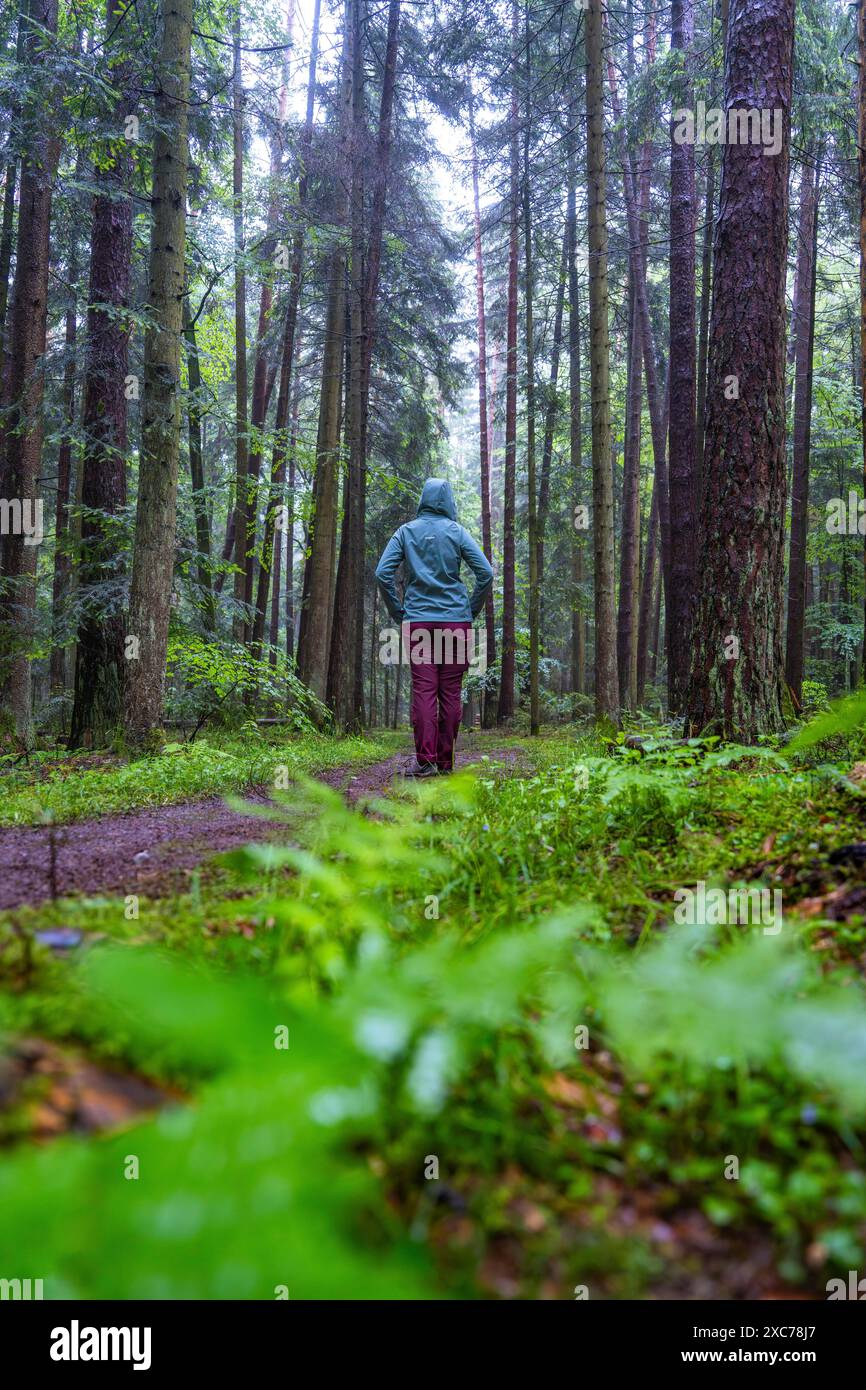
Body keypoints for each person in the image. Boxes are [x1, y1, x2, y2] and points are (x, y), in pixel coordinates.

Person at [375, 478, 493, 777]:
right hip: (456, 622)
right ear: (449, 501)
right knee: (451, 693)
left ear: (423, 500)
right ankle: (445, 763)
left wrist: (398, 613)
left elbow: (382, 574)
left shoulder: (406, 532)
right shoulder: (457, 532)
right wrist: (470, 609)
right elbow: (486, 574)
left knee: (425, 691)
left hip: (419, 621)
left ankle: (425, 761)